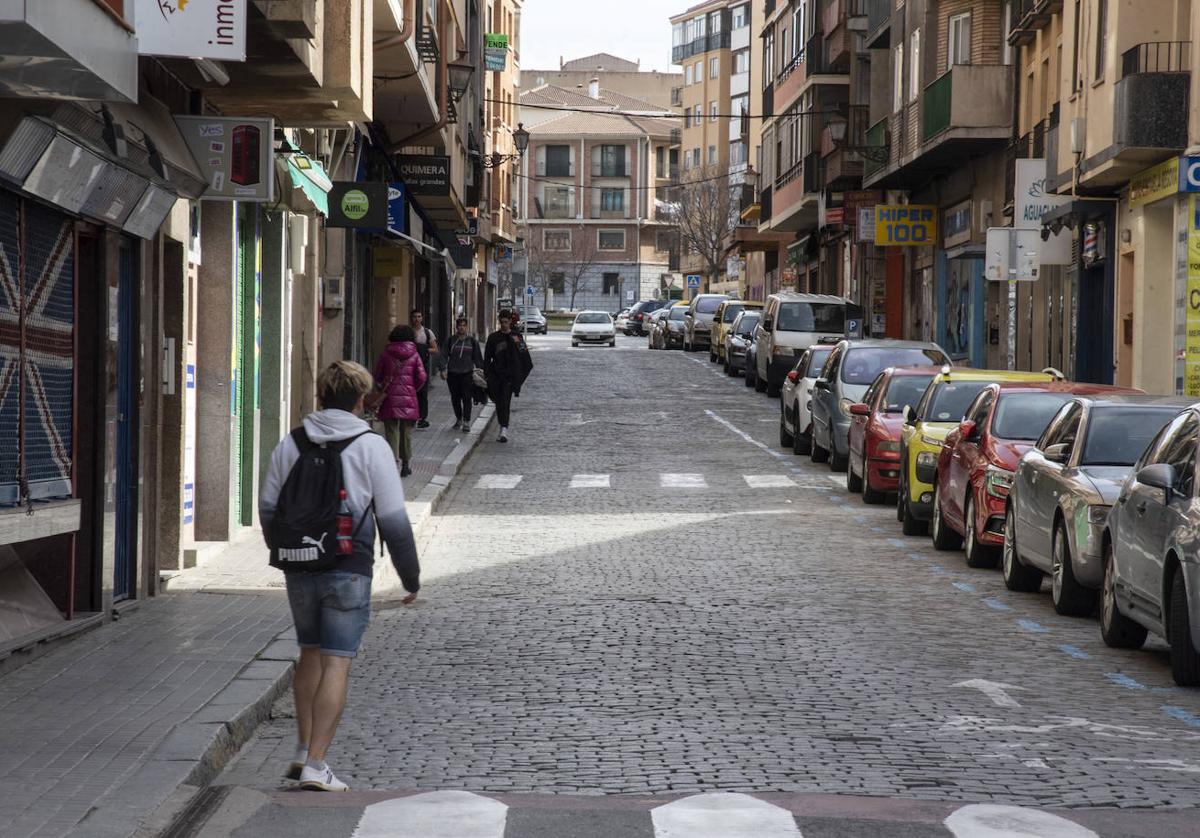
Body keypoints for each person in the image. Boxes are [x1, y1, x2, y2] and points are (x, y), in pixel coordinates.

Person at [260, 361, 420, 792]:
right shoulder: (371, 447)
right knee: (337, 661)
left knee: (309, 653)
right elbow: (393, 520)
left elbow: (269, 508)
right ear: (362, 399)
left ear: (322, 395)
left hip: (299, 566)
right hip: (349, 566)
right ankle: (316, 763)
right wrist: (410, 579)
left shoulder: (290, 443)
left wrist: (284, 550)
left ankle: (301, 749)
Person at [373, 325, 427, 477]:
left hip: (390, 398)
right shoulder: (414, 354)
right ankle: (406, 464)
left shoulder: (386, 354)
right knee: (406, 433)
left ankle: (392, 464)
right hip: (409, 398)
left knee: (392, 432)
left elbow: (377, 376)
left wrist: (381, 385)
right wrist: (412, 388)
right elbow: (422, 376)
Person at [485, 309, 523, 442]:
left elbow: (524, 356)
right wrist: (487, 375)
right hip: (495, 376)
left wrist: (519, 377)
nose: (504, 325)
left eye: (506, 322)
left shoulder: (516, 337)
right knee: (498, 402)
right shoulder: (493, 338)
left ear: (510, 322)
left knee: (505, 402)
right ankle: (502, 425)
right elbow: (487, 358)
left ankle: (504, 429)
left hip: (509, 377)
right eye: (502, 322)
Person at [442, 317, 483, 431]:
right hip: (453, 374)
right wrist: (443, 369)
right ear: (456, 327)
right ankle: (458, 419)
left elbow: (478, 358)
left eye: (464, 325)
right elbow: (444, 355)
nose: (462, 327)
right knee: (455, 398)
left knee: (467, 398)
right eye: (460, 325)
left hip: (467, 374)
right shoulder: (450, 340)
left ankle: (466, 421)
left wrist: (482, 373)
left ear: (467, 327)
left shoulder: (472, 342)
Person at [411, 309, 439, 429]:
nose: (417, 319)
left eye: (419, 316)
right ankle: (412, 417)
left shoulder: (428, 333)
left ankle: (422, 418)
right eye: (415, 317)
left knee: (422, 393)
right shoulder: (409, 332)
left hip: (423, 366)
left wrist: (423, 350)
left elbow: (435, 349)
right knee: (412, 392)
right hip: (410, 367)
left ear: (422, 318)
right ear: (411, 318)